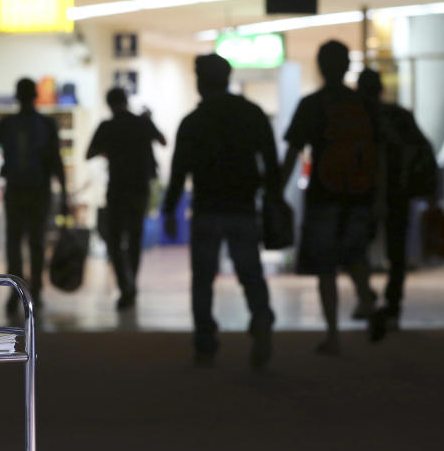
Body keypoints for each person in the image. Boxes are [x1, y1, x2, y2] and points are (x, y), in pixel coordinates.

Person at [162, 54, 280, 368]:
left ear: (202, 81)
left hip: (207, 209)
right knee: (250, 272)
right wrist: (272, 198)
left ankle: (205, 343)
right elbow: (270, 161)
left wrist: (170, 211)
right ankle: (261, 315)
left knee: (203, 278)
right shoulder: (252, 114)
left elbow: (178, 172)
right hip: (242, 207)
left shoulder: (193, 121)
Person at [280, 40, 378, 356]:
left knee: (326, 267)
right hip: (359, 194)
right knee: (354, 254)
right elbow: (378, 154)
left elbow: (294, 151)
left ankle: (333, 334)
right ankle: (365, 295)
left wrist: (276, 190)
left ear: (320, 66)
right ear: (347, 65)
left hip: (324, 194)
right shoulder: (361, 104)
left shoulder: (312, 104)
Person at [357, 68, 438, 339]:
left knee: (357, 248)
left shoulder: (360, 119)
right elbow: (424, 150)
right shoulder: (398, 117)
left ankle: (368, 296)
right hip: (397, 194)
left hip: (364, 194)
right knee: (396, 252)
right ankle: (391, 306)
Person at [0, 78, 68, 313]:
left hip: (20, 190)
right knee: (34, 241)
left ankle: (19, 291)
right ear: (35, 96)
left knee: (16, 241)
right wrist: (65, 194)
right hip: (37, 191)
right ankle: (33, 291)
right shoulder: (45, 124)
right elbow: (56, 161)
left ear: (17, 96)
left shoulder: (8, 124)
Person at [86, 87, 166, 310]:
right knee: (134, 237)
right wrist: (148, 122)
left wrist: (110, 150)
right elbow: (163, 140)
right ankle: (132, 284)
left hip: (118, 188)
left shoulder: (107, 126)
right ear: (126, 101)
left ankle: (125, 285)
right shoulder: (142, 122)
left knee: (114, 238)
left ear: (109, 104)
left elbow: (89, 153)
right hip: (140, 188)